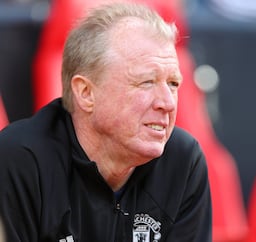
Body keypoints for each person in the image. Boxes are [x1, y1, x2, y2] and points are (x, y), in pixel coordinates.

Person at [0, 2, 212, 241]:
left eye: (173, 84)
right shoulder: (18, 161)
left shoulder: (182, 162)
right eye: (146, 83)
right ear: (86, 93)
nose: (168, 103)